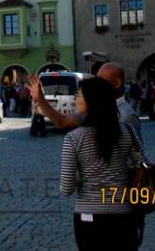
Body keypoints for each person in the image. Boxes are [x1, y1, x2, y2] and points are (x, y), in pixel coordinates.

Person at [60, 77, 149, 250]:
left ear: (90, 101)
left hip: (89, 216)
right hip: (124, 213)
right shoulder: (127, 131)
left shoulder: (73, 138)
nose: (75, 99)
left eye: (78, 95)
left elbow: (66, 189)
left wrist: (84, 175)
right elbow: (145, 164)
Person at [27, 62, 142, 139]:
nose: (95, 83)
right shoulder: (97, 108)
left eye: (100, 79)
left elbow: (135, 160)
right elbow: (61, 121)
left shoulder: (127, 115)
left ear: (116, 83)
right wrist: (40, 99)